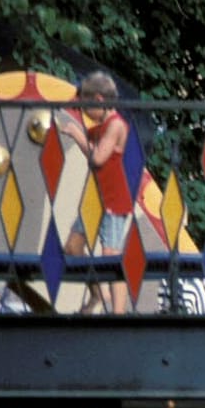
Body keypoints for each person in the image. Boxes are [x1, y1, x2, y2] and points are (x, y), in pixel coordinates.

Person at [72, 71, 136, 313]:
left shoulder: (116, 124)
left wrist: (77, 134)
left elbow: (97, 157)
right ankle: (98, 292)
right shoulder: (100, 125)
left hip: (113, 199)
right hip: (96, 200)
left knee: (111, 255)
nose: (86, 115)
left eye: (88, 108)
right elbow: (90, 150)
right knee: (73, 247)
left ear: (99, 100)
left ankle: (118, 312)